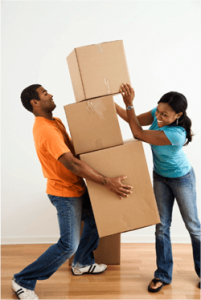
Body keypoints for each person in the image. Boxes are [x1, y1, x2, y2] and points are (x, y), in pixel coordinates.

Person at [12, 84, 133, 300]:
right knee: (68, 245)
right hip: (64, 193)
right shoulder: (46, 130)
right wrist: (107, 182)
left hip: (76, 186)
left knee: (97, 219)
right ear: (35, 103)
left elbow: (74, 151)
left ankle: (82, 262)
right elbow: (72, 164)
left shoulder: (54, 121)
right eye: (45, 93)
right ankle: (22, 280)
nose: (51, 95)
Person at [116, 83, 201, 292]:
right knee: (161, 226)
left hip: (182, 179)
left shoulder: (177, 134)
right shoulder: (157, 113)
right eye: (159, 111)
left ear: (178, 115)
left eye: (165, 114)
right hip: (160, 177)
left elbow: (138, 133)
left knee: (193, 226)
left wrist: (129, 104)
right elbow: (132, 119)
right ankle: (163, 275)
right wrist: (111, 104)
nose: (159, 117)